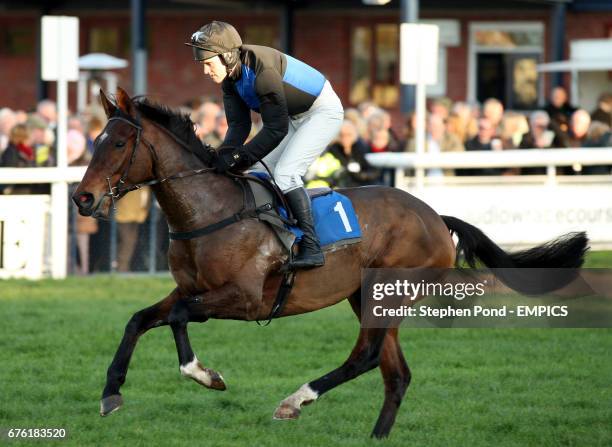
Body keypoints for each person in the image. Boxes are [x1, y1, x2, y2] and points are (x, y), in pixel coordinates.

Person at [186, 21, 344, 268]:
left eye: (208, 63)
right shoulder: (230, 79)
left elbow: (275, 129)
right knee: (259, 173)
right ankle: (276, 239)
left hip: (321, 112)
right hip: (294, 117)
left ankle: (312, 247)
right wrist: (223, 156)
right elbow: (239, 127)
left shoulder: (262, 69)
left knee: (285, 174)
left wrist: (239, 158)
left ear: (227, 56)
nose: (206, 71)